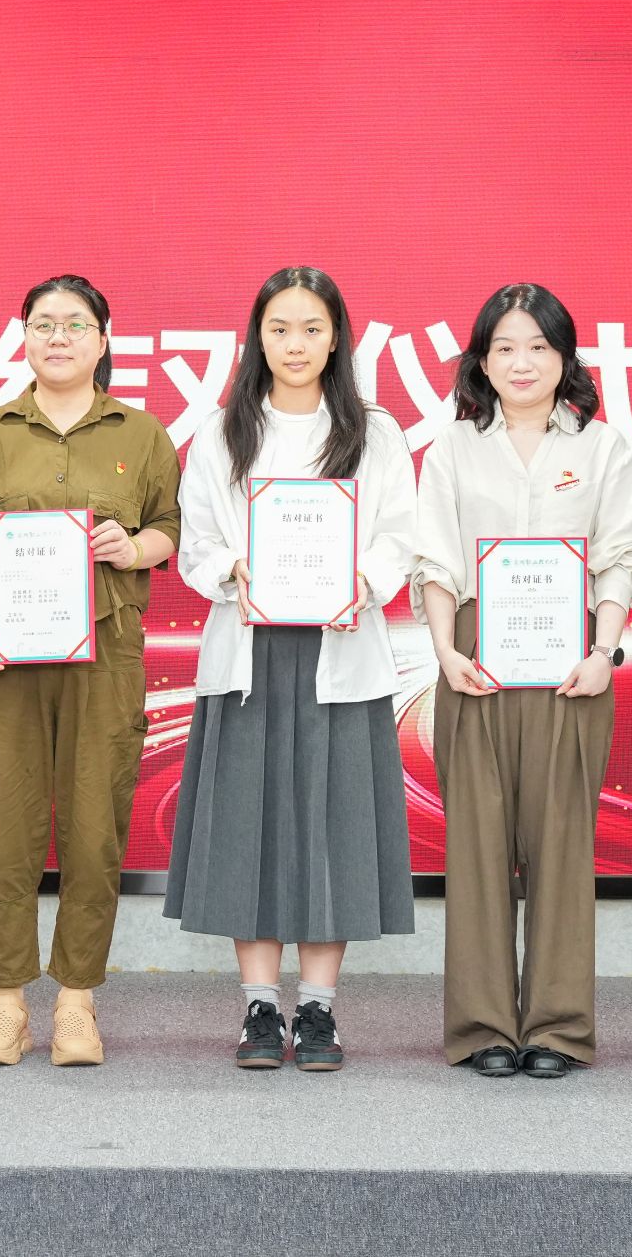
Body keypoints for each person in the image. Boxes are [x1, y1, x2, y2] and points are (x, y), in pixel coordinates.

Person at [165, 267, 417, 1072]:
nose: (296, 344)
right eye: (280, 328)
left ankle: (317, 1008)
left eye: (312, 328)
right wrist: (233, 570)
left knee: (331, 827)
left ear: (336, 337)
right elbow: (197, 541)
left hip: (341, 652)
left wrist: (361, 583)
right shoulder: (222, 431)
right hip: (250, 652)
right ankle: (258, 1007)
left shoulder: (375, 432)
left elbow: (398, 536)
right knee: (252, 826)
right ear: (258, 337)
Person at [0, 274, 181, 1067]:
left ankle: (76, 1000)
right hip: (8, 658)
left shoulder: (142, 433)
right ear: (24, 337)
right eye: (44, 323)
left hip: (105, 655)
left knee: (94, 823)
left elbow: (170, 528)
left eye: (76, 324)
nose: (60, 337)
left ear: (103, 340)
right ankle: (6, 1002)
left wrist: (131, 547)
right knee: (3, 826)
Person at [413, 283, 632, 1079]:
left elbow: (621, 557)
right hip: (474, 654)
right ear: (482, 360)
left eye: (539, 347)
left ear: (565, 358)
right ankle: (482, 1024)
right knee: (477, 846)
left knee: (561, 845)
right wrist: (444, 652)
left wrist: (604, 651)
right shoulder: (453, 448)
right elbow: (435, 559)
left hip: (572, 661)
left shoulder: (601, 448)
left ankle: (557, 1025)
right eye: (505, 347)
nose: (522, 362)